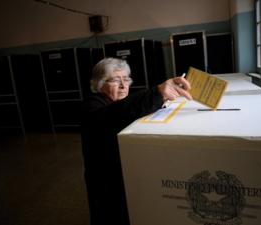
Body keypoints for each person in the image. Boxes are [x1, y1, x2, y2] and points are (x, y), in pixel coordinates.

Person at [81, 58, 192, 225]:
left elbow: (131, 108)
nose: (123, 85)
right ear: (99, 84)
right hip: (106, 185)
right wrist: (157, 93)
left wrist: (161, 100)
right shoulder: (92, 105)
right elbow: (112, 115)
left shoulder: (118, 101)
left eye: (126, 79)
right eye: (115, 80)